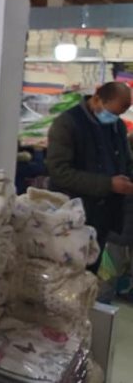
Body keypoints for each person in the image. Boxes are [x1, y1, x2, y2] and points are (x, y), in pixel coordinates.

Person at [46, 82, 133, 271]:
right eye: (112, 112)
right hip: (73, 216)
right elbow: (59, 172)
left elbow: (125, 162)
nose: (114, 118)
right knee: (69, 272)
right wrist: (108, 184)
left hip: (103, 217)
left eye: (119, 114)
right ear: (97, 99)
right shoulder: (67, 124)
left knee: (91, 270)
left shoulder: (117, 126)